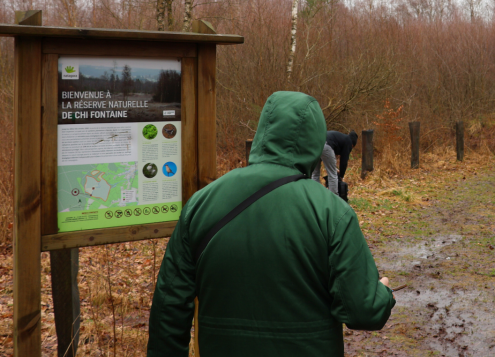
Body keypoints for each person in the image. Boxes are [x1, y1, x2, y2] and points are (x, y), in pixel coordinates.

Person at [147, 91, 395, 356]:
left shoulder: (200, 204)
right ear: (314, 139)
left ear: (263, 131)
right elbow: (364, 311)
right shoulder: (332, 213)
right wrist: (383, 292)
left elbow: (168, 309)